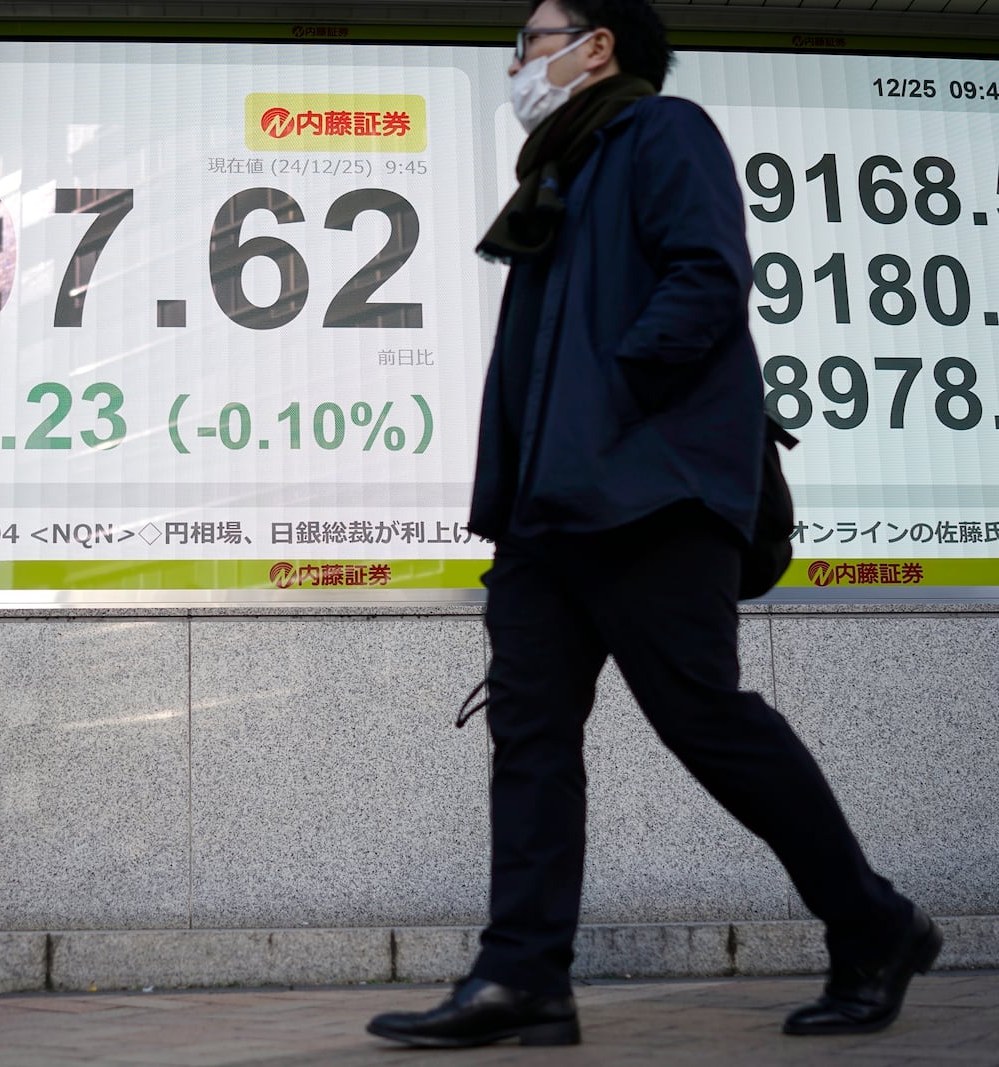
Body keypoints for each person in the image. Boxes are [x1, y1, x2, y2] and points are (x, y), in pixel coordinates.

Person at [367, 0, 938, 1048]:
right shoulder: (559, 171)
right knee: (529, 736)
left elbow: (706, 276)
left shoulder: (657, 134)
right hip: (547, 512)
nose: (516, 63)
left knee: (704, 718)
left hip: (648, 492)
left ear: (598, 45)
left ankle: (876, 922)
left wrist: (613, 398)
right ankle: (523, 976)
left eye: (532, 41)